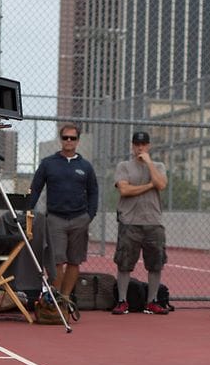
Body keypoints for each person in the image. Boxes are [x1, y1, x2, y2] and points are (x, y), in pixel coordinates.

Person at [27, 123, 98, 301]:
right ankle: (54, 298)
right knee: (56, 261)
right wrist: (27, 211)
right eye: (65, 137)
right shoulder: (48, 164)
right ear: (61, 139)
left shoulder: (86, 166)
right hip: (55, 219)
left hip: (79, 219)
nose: (68, 141)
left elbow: (93, 192)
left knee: (74, 261)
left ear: (77, 141)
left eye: (72, 138)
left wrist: (90, 216)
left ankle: (65, 299)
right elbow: (35, 189)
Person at [110, 131, 168, 315]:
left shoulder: (158, 165)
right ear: (132, 145)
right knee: (124, 263)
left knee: (155, 263)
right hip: (130, 221)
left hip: (153, 222)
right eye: (136, 144)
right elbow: (125, 190)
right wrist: (149, 186)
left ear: (148, 146)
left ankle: (152, 301)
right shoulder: (124, 166)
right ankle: (122, 300)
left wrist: (149, 163)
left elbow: (161, 184)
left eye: (143, 144)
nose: (139, 148)